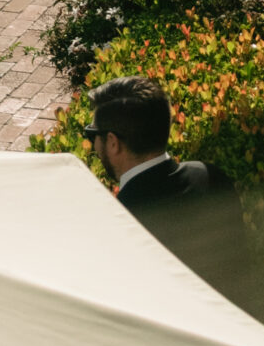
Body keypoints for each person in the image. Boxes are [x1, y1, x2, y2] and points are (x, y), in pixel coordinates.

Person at [83, 74, 248, 296]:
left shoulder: (118, 224)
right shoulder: (211, 177)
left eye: (91, 134)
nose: (92, 144)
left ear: (113, 142)